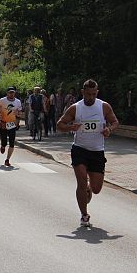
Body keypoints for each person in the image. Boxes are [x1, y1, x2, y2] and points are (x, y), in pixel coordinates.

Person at [57, 79, 119, 227]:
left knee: (96, 189)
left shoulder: (103, 106)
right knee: (81, 182)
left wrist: (109, 129)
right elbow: (59, 124)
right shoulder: (75, 108)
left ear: (97, 93)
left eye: (93, 94)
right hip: (79, 149)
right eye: (88, 94)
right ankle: (84, 215)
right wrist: (71, 127)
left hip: (97, 151)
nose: (90, 97)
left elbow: (115, 122)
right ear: (82, 92)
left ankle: (90, 188)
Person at [0, 86, 22, 167]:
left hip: (12, 124)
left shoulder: (18, 102)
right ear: (7, 93)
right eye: (10, 92)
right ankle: (3, 146)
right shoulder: (2, 100)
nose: (11, 94)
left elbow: (19, 112)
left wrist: (18, 121)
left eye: (13, 92)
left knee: (12, 143)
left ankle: (7, 159)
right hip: (3, 123)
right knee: (4, 142)